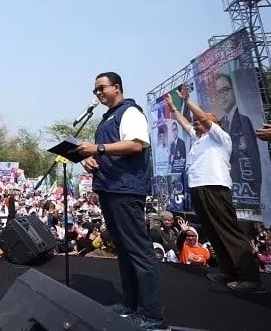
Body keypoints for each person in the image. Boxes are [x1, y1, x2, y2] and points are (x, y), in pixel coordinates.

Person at [78, 72, 167, 330]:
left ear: (117, 88)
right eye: (95, 90)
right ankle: (130, 306)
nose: (98, 93)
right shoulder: (107, 119)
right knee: (124, 250)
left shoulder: (130, 113)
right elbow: (106, 152)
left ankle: (152, 315)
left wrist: (99, 149)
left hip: (126, 190)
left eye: (102, 88)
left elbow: (137, 145)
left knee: (139, 251)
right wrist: (91, 161)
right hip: (109, 187)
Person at [165, 84, 264, 293]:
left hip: (215, 188)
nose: (197, 123)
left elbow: (202, 119)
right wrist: (174, 109)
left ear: (214, 123)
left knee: (228, 231)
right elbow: (185, 124)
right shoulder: (199, 140)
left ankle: (250, 278)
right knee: (213, 231)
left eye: (203, 120)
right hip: (199, 188)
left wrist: (187, 101)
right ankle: (228, 271)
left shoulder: (220, 138)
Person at [214, 73, 261, 205]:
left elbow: (254, 159)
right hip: (225, 187)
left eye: (225, 90)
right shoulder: (221, 123)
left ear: (233, 91)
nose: (222, 95)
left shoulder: (244, 121)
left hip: (245, 190)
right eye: (219, 92)